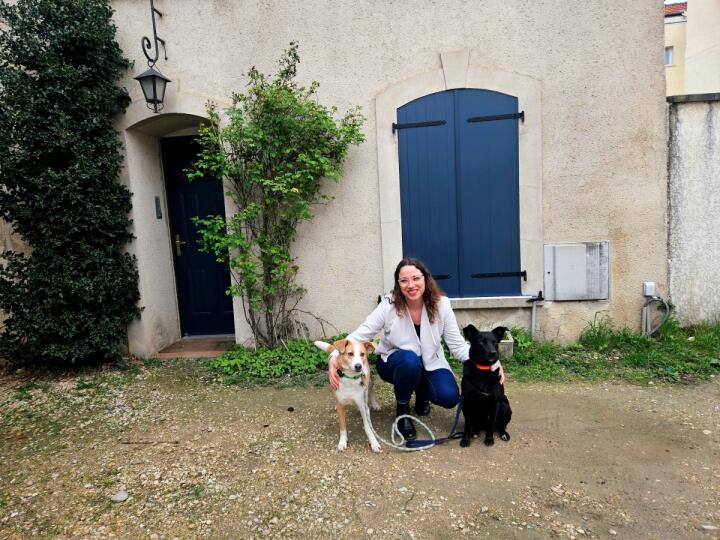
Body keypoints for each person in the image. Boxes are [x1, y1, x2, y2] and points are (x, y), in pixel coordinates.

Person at [327, 257, 505, 441]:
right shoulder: (388, 305)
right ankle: (403, 411)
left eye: (416, 278)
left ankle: (421, 394)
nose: (410, 285)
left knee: (449, 396)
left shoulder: (442, 304)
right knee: (409, 361)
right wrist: (333, 357)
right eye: (404, 280)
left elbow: (457, 344)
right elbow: (360, 334)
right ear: (398, 284)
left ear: (426, 279)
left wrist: (491, 362)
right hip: (395, 362)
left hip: (430, 363)